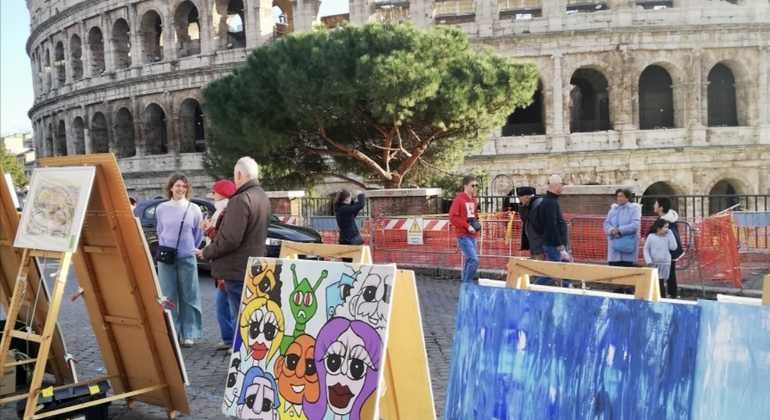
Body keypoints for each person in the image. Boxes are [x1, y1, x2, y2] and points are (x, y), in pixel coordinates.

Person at [198, 157, 271, 321]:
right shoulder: (261, 196)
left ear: (238, 174)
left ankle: (242, 347)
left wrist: (207, 252)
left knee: (243, 320)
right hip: (252, 266)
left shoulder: (240, 199)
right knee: (251, 318)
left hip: (236, 268)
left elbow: (230, 240)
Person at [156, 174, 203, 347]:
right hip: (166, 258)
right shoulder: (162, 208)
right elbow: (160, 230)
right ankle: (173, 332)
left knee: (189, 295)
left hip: (187, 257)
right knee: (168, 296)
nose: (181, 189)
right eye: (177, 186)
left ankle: (189, 333)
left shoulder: (194, 209)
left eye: (184, 186)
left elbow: (198, 234)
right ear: (170, 188)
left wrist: (189, 248)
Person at [199, 179, 237, 351]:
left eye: (214, 192)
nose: (213, 196)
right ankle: (229, 338)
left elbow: (222, 240)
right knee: (223, 303)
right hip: (224, 263)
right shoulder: (223, 211)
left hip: (228, 264)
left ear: (220, 193)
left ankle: (234, 341)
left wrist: (207, 229)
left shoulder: (225, 212)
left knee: (232, 305)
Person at [533, 174, 572, 286]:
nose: (563, 188)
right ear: (555, 185)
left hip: (556, 245)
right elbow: (551, 227)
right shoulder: (550, 203)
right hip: (554, 246)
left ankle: (566, 294)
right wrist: (561, 248)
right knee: (552, 273)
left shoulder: (550, 202)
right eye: (561, 185)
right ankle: (532, 290)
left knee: (566, 272)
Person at [449, 175, 480, 284]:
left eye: (476, 185)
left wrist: (476, 224)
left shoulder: (474, 200)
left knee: (469, 260)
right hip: (463, 235)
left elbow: (473, 216)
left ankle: (466, 285)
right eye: (472, 185)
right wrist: (467, 226)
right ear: (465, 186)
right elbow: (453, 217)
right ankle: (467, 284)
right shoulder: (459, 200)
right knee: (474, 259)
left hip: (473, 234)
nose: (475, 188)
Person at [653, 197, 684, 298]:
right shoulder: (670, 219)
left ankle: (667, 293)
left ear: (661, 207)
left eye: (656, 204)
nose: (654, 206)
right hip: (670, 250)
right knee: (669, 272)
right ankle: (672, 293)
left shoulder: (663, 222)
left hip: (666, 251)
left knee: (664, 273)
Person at [603, 188, 642, 267]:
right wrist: (612, 231)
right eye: (618, 196)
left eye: (621, 196)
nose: (619, 198)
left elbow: (635, 225)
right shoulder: (613, 210)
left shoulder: (634, 209)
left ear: (627, 197)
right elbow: (606, 224)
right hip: (614, 248)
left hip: (627, 247)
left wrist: (619, 230)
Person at [644, 218, 678, 296]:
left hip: (665, 263)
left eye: (668, 227)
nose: (667, 229)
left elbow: (673, 247)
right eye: (665, 227)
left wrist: (671, 235)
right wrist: (649, 261)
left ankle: (666, 295)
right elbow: (646, 249)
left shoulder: (667, 236)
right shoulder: (651, 236)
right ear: (659, 228)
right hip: (654, 263)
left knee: (663, 280)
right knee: (658, 282)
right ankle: (660, 296)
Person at [516, 187, 545, 260]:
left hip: (538, 243)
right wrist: (522, 206)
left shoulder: (537, 205)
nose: (520, 199)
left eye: (520, 197)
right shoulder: (529, 206)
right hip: (533, 242)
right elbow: (524, 219)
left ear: (527, 197)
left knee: (539, 264)